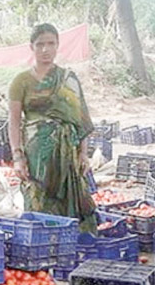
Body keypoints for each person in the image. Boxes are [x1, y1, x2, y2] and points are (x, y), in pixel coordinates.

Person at [8, 23, 97, 232]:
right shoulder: (20, 81)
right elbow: (13, 122)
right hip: (36, 155)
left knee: (72, 201)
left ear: (58, 46)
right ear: (32, 47)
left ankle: (73, 246)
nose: (45, 49)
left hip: (68, 155)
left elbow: (80, 119)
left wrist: (84, 154)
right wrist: (18, 157)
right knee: (39, 201)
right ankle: (42, 248)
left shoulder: (68, 79)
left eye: (51, 44)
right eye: (40, 45)